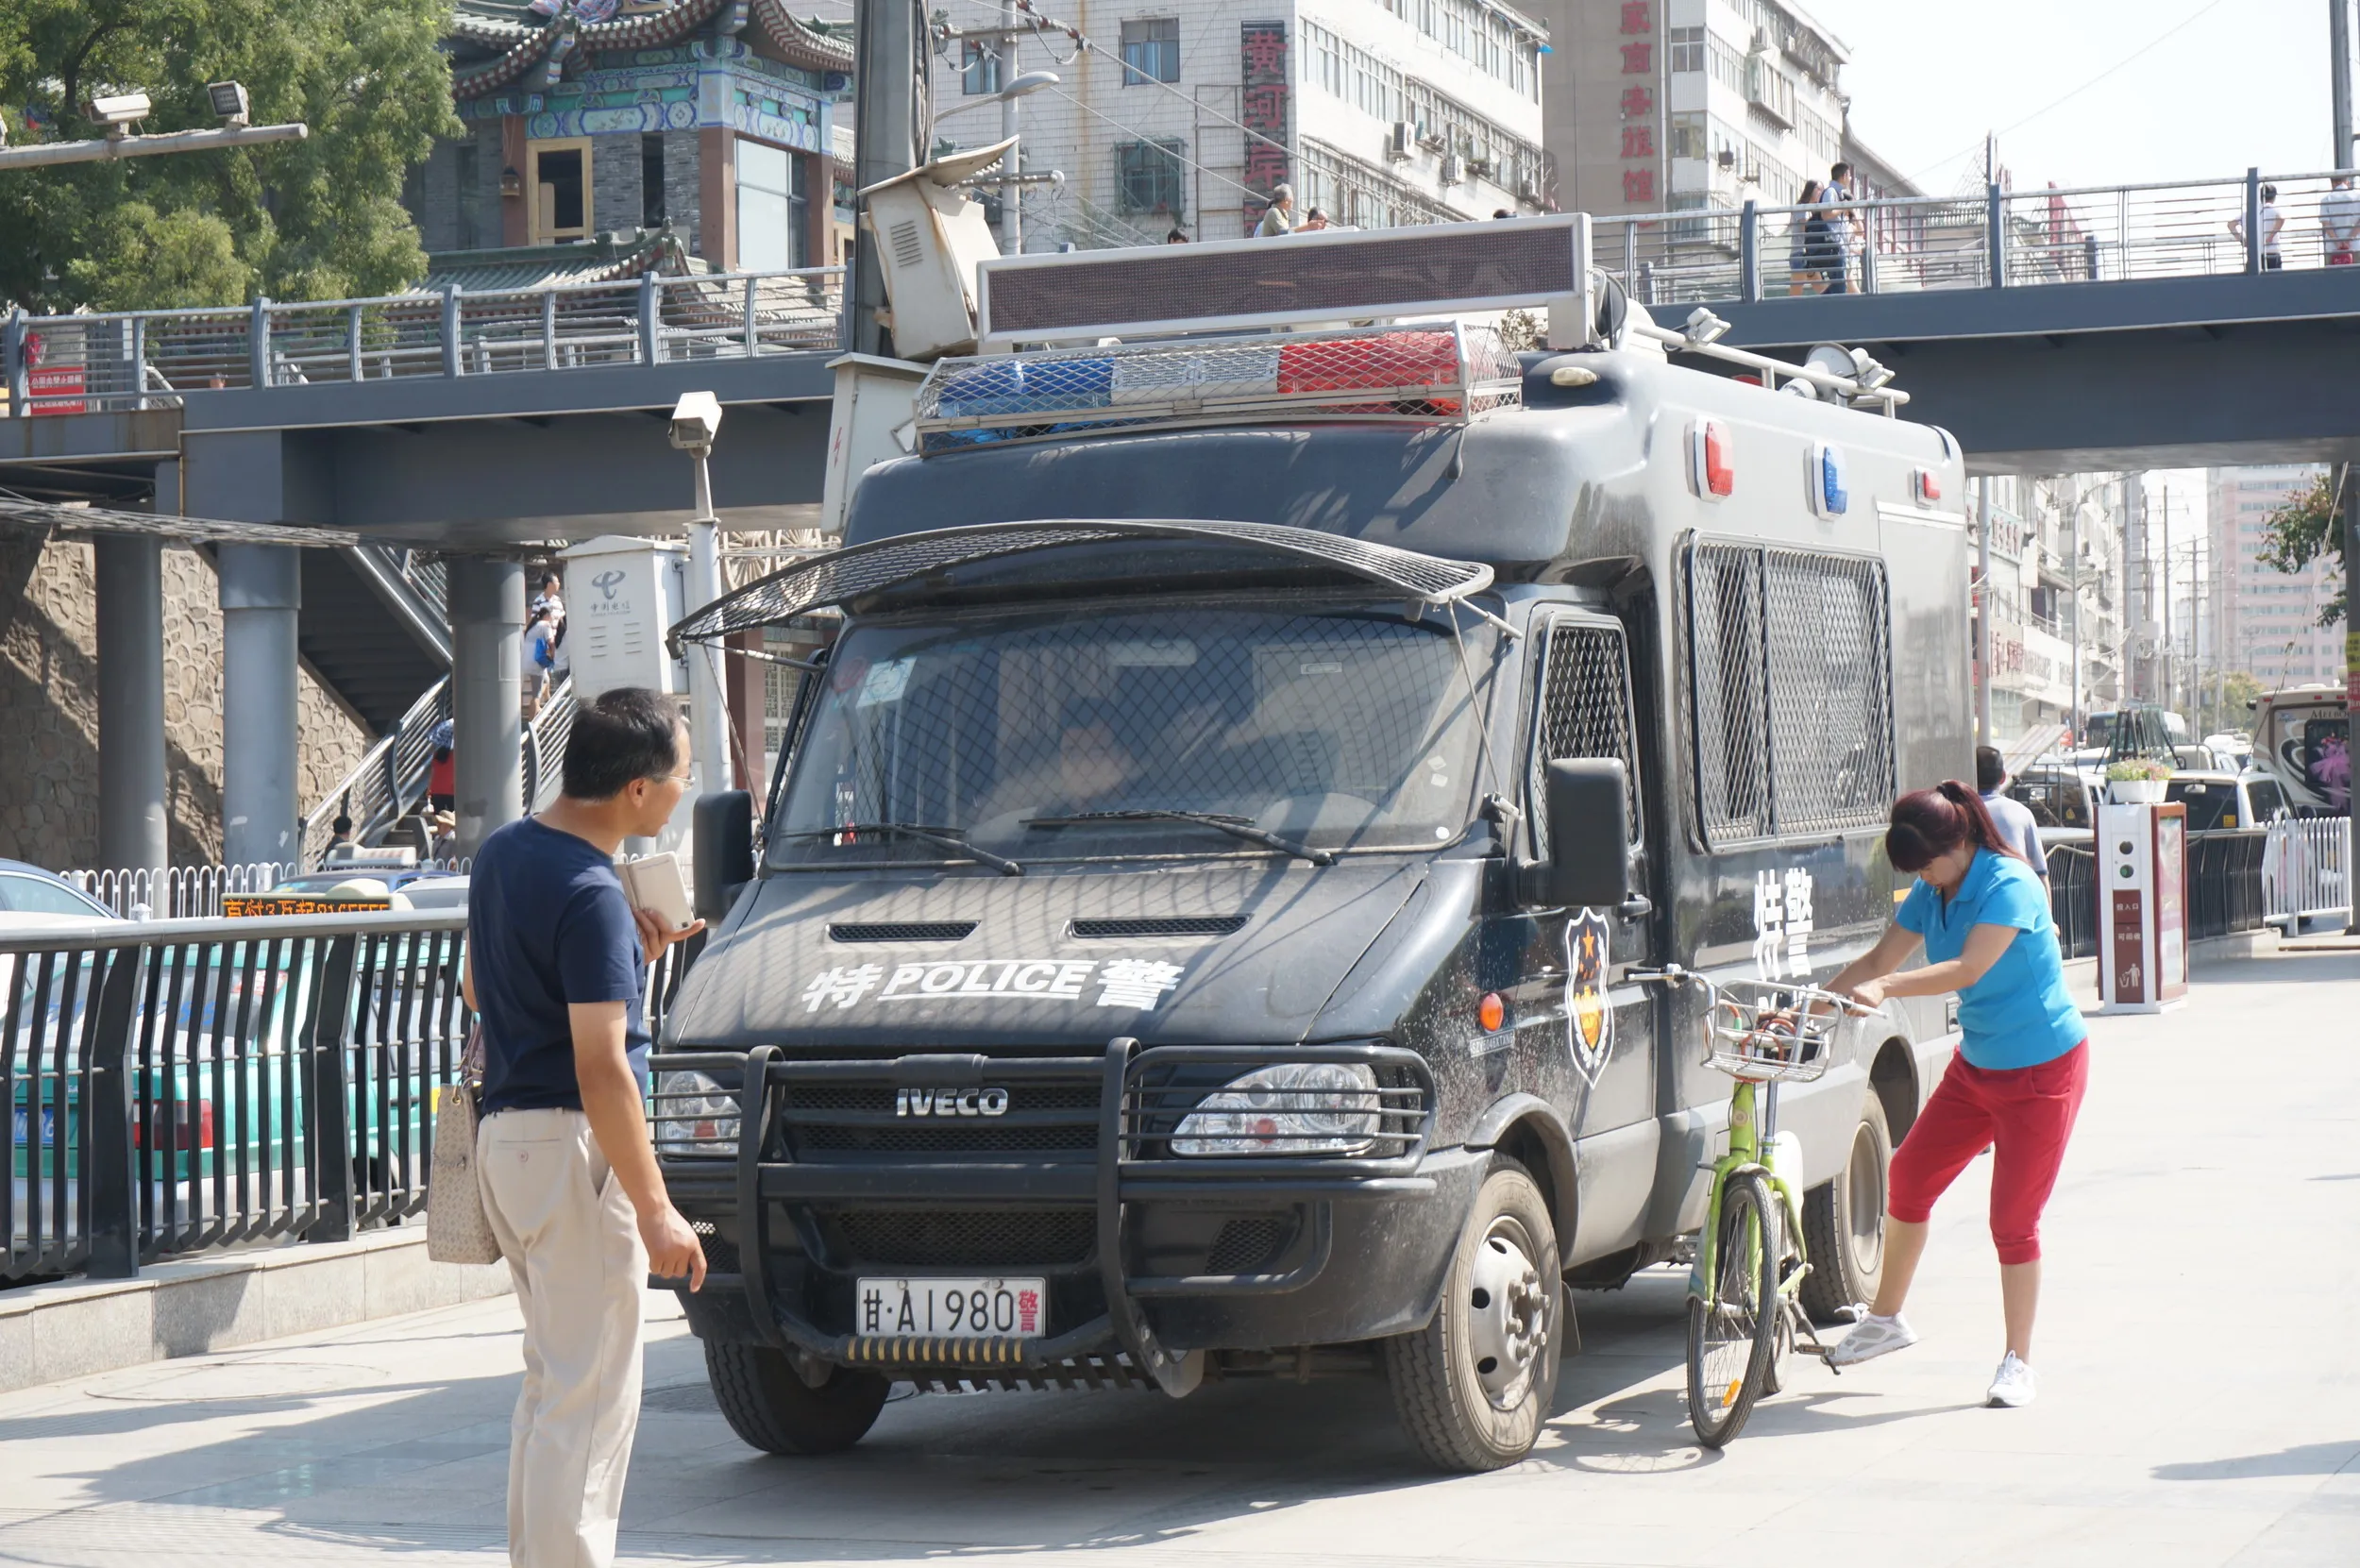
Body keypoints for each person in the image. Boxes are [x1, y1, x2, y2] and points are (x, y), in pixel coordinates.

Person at [463, 686, 707, 1568]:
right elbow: (605, 1067)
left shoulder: (503, 854)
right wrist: (656, 1206)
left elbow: (477, 991)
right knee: (592, 1396)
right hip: (573, 1148)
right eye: (683, 774)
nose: (687, 788)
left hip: (508, 1143)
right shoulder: (595, 892)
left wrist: (614, 961)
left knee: (552, 1388)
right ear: (636, 790)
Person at [1821, 783, 2089, 1410]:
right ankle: (1886, 1319)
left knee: (2012, 1222)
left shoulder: (2008, 884)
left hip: (2042, 1071)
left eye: (1928, 865)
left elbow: (1969, 968)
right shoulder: (1934, 886)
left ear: (1962, 842)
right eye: (1915, 870)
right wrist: (1809, 1004)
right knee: (1908, 1176)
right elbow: (1880, 956)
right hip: (1981, 1066)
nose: (1924, 878)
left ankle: (2018, 1361)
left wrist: (1888, 987)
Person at [1976, 746, 2049, 893]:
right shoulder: (2022, 813)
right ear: (2003, 777)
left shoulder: (1959, 812)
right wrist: (2047, 915)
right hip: (2018, 899)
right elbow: (2040, 874)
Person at [1821, 162, 1861, 295]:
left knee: (1840, 286)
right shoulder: (1831, 192)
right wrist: (1843, 208)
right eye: (1849, 176)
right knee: (1839, 287)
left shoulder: (1839, 193)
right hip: (1833, 245)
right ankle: (1814, 306)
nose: (1850, 179)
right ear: (1844, 176)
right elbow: (1826, 214)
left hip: (1838, 247)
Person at [2230, 183, 2285, 270]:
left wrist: (2242, 239)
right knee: (2275, 282)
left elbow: (2231, 224)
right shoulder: (2273, 209)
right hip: (2272, 252)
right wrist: (2270, 237)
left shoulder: (2248, 213)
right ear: (2274, 197)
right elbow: (2281, 219)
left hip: (2254, 255)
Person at [1788, 179, 1824, 294]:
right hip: (1800, 253)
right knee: (1796, 292)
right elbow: (1806, 229)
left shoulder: (1810, 209)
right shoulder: (1802, 207)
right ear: (1810, 190)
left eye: (1822, 190)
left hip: (1807, 255)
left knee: (1822, 289)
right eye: (1818, 189)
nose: (1821, 192)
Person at [2322, 175, 2360, 266]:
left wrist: (2337, 242)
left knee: (2333, 278)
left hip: (2333, 248)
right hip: (2356, 246)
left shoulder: (2326, 199)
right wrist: (2348, 240)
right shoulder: (2358, 197)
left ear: (2332, 183)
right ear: (2347, 181)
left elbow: (2326, 223)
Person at [428, 717, 457, 813]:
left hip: (436, 790)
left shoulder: (437, 755)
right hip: (451, 791)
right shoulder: (456, 756)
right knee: (452, 818)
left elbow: (432, 774)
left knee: (439, 818)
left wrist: (429, 790)